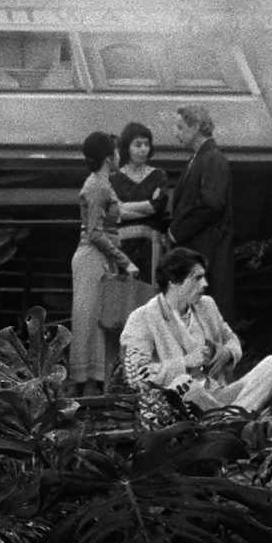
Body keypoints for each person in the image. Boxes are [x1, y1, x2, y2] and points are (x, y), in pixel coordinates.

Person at [120, 247, 272, 413]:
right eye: (197, 278)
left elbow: (231, 339)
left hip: (216, 395)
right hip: (176, 405)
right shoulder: (142, 318)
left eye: (204, 277)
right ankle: (231, 416)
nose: (205, 284)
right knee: (185, 384)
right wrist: (185, 362)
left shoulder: (207, 305)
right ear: (173, 281)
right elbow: (137, 376)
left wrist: (227, 352)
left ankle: (229, 417)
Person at [71, 131, 141, 397]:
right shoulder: (97, 186)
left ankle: (92, 386)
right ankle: (87, 387)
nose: (120, 154)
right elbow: (94, 233)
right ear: (109, 157)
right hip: (92, 259)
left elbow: (119, 211)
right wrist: (126, 261)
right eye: (116, 150)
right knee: (90, 323)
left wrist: (154, 206)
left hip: (99, 259)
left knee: (97, 321)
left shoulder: (103, 184)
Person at [168, 104, 235, 321]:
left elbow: (212, 205)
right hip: (199, 250)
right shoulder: (199, 158)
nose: (176, 133)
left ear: (196, 126)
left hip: (206, 249)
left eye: (180, 127)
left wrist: (177, 233)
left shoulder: (213, 158)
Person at [110, 121, 170, 281]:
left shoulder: (158, 175)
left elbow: (158, 205)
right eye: (138, 144)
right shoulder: (114, 178)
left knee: (151, 290)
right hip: (123, 247)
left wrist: (124, 207)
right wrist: (148, 208)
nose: (143, 149)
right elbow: (114, 212)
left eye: (146, 144)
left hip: (151, 247)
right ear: (127, 147)